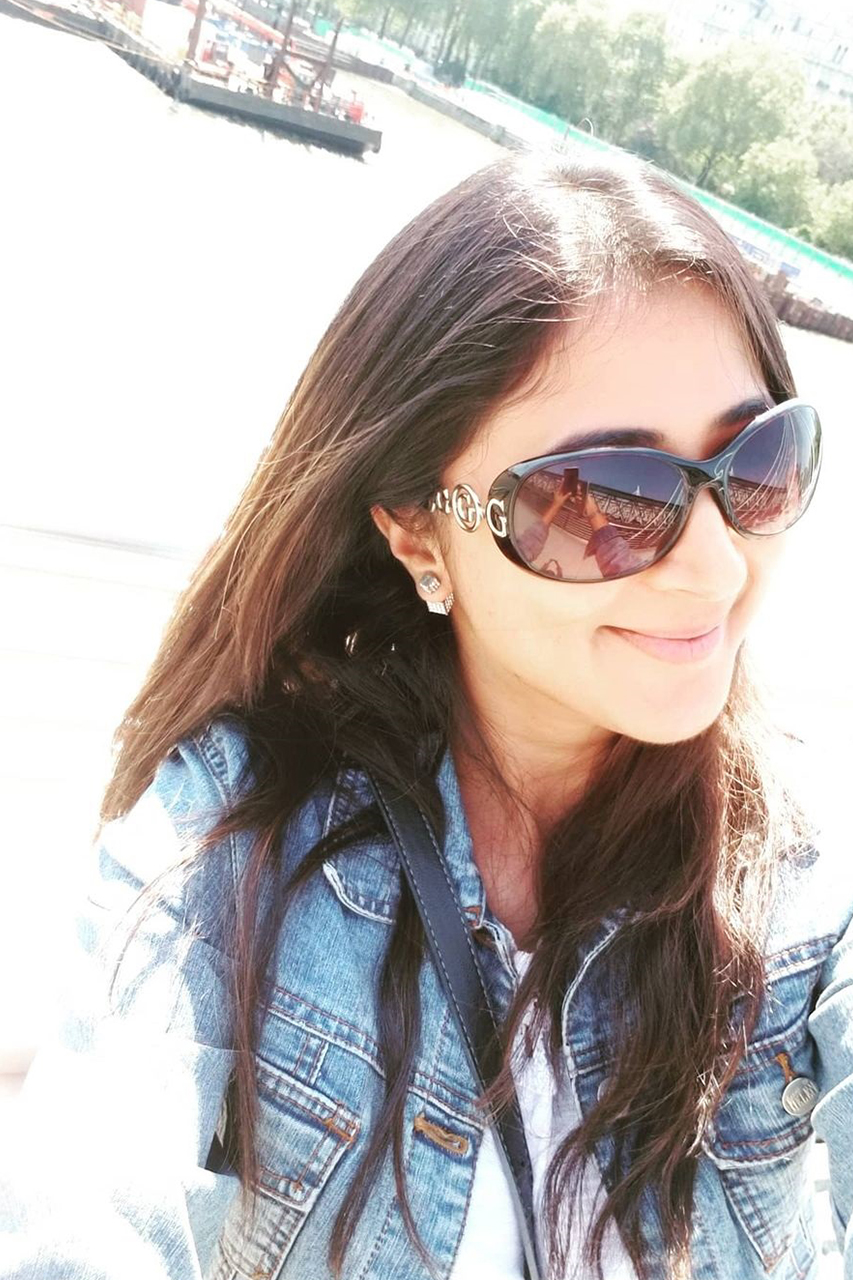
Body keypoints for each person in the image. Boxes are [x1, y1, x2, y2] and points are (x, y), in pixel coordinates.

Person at [1, 150, 848, 1280]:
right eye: (602, 500)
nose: (716, 569)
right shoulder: (231, 840)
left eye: (757, 465)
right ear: (414, 529)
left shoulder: (803, 891)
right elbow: (81, 1210)